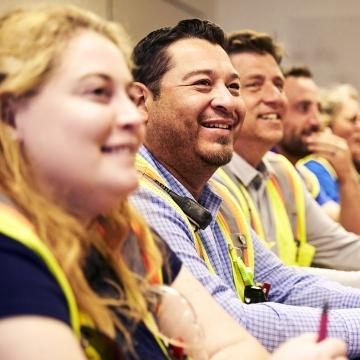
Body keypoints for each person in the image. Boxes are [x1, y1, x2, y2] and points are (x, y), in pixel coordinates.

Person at [0, 5, 297, 360]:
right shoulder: (9, 256)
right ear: (9, 114)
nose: (131, 116)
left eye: (128, 96)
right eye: (98, 92)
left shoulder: (118, 230)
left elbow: (225, 344)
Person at [130, 18, 360, 358]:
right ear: (140, 102)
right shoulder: (137, 194)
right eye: (202, 84)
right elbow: (229, 320)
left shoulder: (212, 194)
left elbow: (284, 283)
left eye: (234, 87)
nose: (228, 101)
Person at [217, 29, 360, 287]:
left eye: (278, 85)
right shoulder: (208, 179)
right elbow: (270, 278)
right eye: (254, 85)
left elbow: (343, 248)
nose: (275, 98)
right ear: (225, 98)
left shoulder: (282, 173)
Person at [277, 66, 360, 233]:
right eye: (352, 120)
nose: (316, 121)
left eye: (318, 110)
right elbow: (349, 232)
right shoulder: (316, 168)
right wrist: (347, 174)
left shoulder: (303, 175)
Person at [298, 84, 360, 206]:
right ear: (327, 125)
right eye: (352, 120)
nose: (359, 126)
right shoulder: (315, 170)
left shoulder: (352, 172)